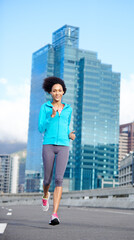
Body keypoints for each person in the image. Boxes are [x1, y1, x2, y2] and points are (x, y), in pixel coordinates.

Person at [38, 76, 75, 225]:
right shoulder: (45, 107)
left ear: (63, 92)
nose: (57, 93)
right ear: (51, 93)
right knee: (47, 179)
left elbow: (66, 127)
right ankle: (45, 194)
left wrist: (70, 135)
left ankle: (54, 214)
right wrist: (51, 116)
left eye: (60, 90)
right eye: (54, 91)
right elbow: (41, 128)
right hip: (48, 145)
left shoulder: (68, 109)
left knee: (59, 179)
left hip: (64, 146)